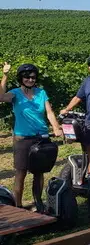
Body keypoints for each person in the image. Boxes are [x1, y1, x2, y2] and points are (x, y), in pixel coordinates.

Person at [0, 62, 62, 209]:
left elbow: (49, 112)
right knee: (21, 172)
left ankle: (38, 202)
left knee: (39, 172)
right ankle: (18, 205)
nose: (30, 80)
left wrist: (55, 126)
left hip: (41, 137)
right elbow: (1, 97)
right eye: (26, 77)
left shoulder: (41, 93)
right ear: (21, 78)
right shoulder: (15, 93)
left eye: (33, 77)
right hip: (22, 138)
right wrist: (5, 75)